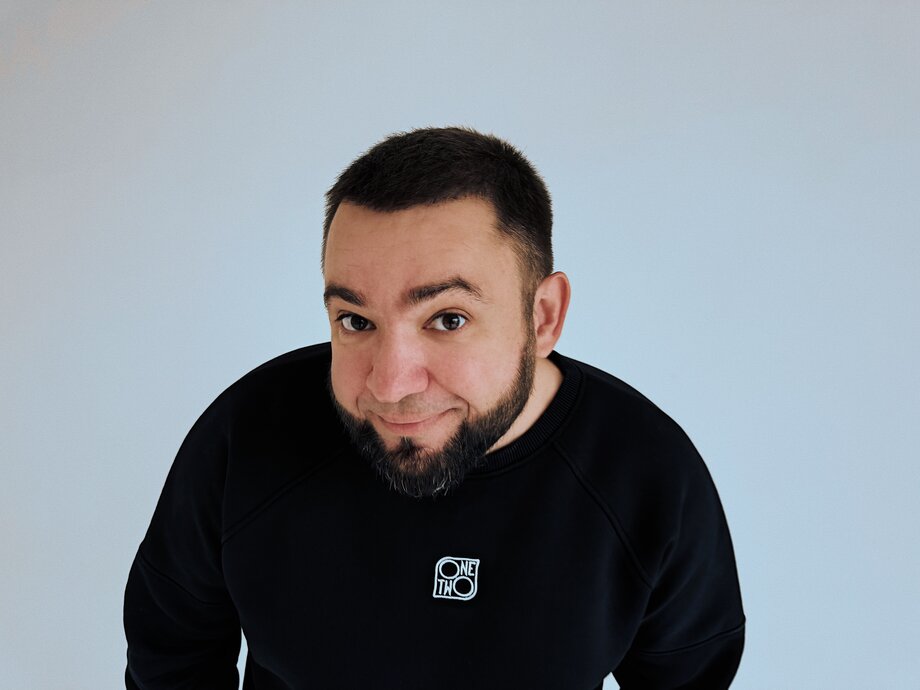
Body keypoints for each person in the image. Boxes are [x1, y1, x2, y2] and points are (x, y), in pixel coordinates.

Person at [124, 127, 745, 689]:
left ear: (543, 316)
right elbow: (171, 656)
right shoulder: (248, 434)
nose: (391, 384)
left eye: (447, 319)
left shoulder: (647, 475)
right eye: (356, 320)